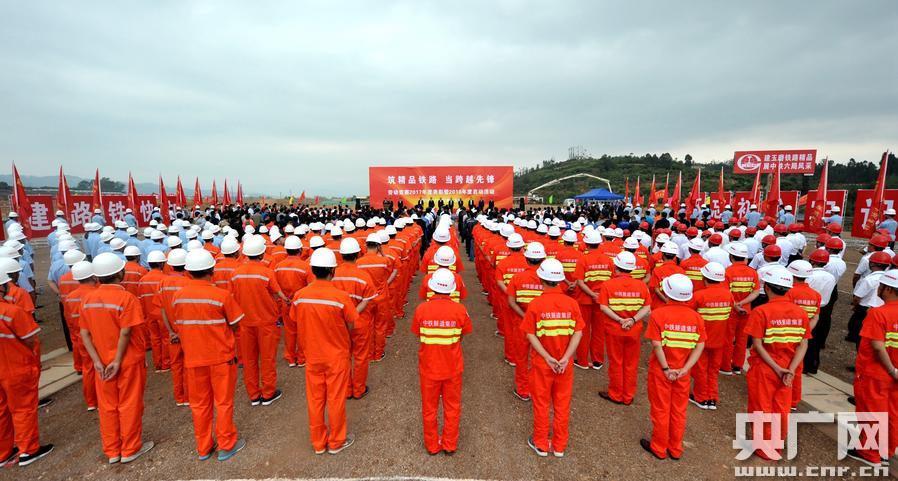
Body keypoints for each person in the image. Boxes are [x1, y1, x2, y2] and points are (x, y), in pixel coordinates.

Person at [79, 252, 155, 464]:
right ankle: (130, 448)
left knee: (107, 407)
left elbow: (84, 333)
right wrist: (118, 360)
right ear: (120, 273)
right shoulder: (126, 298)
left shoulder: (88, 300)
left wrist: (96, 360)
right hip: (127, 361)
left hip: (102, 362)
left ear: (97, 276)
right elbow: (126, 331)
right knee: (129, 404)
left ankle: (112, 451)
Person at [171, 249, 246, 461]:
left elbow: (179, 323)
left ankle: (204, 448)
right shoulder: (221, 296)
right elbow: (235, 323)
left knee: (199, 405)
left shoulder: (178, 297)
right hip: (221, 358)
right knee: (223, 402)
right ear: (212, 270)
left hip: (193, 358)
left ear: (188, 272)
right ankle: (226, 445)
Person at [289, 248, 358, 455]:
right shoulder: (340, 297)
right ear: (332, 270)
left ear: (312, 270)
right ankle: (336, 441)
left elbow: (294, 319)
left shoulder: (300, 296)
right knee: (335, 399)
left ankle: (318, 443)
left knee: (315, 400)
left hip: (312, 355)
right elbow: (352, 322)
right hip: (336, 355)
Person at [521, 258, 584, 457]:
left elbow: (530, 335)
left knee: (541, 403)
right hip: (565, 363)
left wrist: (548, 357)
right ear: (560, 280)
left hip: (543, 362)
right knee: (562, 403)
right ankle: (559, 445)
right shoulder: (572, 304)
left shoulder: (535, 305)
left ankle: (541, 443)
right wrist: (566, 357)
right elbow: (578, 332)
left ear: (541, 279)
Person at [744, 266, 809, 460]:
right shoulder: (800, 313)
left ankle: (764, 448)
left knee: (761, 406)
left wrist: (776, 368)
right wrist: (791, 369)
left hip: (766, 366)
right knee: (781, 407)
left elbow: (757, 345)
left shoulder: (761, 312)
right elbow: (803, 344)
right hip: (789, 365)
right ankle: (776, 445)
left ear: (767, 287)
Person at [641, 273, 705, 460]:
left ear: (667, 292)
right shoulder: (696, 318)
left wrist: (666, 369)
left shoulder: (658, 314)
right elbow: (699, 346)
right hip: (683, 371)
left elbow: (656, 345)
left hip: (662, 370)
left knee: (661, 408)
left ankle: (659, 447)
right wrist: (684, 369)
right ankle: (675, 448)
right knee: (679, 410)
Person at [411, 268, 473, 455]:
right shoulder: (460, 310)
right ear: (452, 289)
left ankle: (432, 445)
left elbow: (418, 334)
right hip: (452, 367)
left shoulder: (421, 309)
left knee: (429, 408)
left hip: (429, 367)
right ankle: (449, 444)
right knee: (452, 407)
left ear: (432, 287)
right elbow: (463, 334)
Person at [0, 271, 53, 467]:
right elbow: (30, 339)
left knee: (1, 410)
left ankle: (3, 452)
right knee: (23, 409)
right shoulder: (12, 312)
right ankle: (28, 450)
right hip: (16, 368)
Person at [230, 236, 289, 406]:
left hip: (245, 323)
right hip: (266, 322)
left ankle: (254, 395)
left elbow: (231, 297)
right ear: (262, 254)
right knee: (267, 358)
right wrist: (287, 300)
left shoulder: (235, 274)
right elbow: (278, 293)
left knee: (249, 360)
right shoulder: (266, 272)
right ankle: (268, 393)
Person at [847, 270, 898, 466]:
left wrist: (891, 370)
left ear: (888, 289)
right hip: (894, 374)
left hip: (876, 373)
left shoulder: (878, 313)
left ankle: (869, 453)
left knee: (872, 412)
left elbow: (877, 346)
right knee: (893, 412)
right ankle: (886, 451)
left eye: (881, 286)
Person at [598, 251, 651, 405]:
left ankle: (616, 394)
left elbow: (603, 307)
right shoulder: (641, 285)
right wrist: (633, 320)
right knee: (631, 363)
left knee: (616, 361)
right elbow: (647, 307)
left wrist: (620, 320)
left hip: (614, 329)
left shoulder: (607, 285)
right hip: (633, 329)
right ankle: (628, 395)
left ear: (616, 267)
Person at [333, 237, 377, 399]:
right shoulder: (363, 276)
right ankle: (358, 389)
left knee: (343, 356)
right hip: (360, 322)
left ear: (341, 254)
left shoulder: (333, 275)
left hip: (339, 324)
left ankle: (346, 390)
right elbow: (369, 300)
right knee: (360, 357)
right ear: (358, 254)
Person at [506, 242, 548, 401]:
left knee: (522, 357)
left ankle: (523, 389)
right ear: (543, 259)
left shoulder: (517, 278)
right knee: (540, 356)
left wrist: (525, 316)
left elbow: (511, 302)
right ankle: (539, 388)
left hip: (522, 322)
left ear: (526, 258)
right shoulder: (548, 279)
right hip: (544, 324)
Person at [689, 262, 733, 410]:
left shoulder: (699, 295)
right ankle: (712, 398)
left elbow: (690, 316)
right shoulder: (728, 295)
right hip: (719, 339)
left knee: (700, 369)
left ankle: (701, 397)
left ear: (704, 277)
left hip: (701, 340)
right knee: (713, 370)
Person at [156, 248, 192, 406]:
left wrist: (171, 332)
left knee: (176, 365)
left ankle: (179, 397)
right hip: (187, 332)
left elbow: (163, 309)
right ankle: (189, 396)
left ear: (170, 266)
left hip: (172, 332)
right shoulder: (188, 283)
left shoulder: (162, 283)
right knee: (189, 364)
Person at [573, 231, 613, 370]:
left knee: (583, 330)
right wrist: (599, 296)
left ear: (586, 244)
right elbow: (611, 280)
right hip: (601, 300)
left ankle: (582, 360)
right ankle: (597, 360)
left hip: (585, 299)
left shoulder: (583, 260)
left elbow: (580, 282)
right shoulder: (608, 260)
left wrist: (592, 294)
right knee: (599, 331)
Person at [784, 260, 821, 410]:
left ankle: (785, 397)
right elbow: (815, 317)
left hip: (788, 333)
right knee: (798, 367)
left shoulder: (789, 292)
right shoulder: (816, 295)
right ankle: (794, 401)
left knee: (786, 366)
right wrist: (804, 333)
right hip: (802, 335)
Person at [64, 260, 99, 410]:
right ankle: (101, 398)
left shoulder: (70, 297)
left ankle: (91, 401)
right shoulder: (96, 294)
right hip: (96, 336)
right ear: (94, 276)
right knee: (100, 366)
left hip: (80, 336)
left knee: (88, 368)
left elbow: (69, 319)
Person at [274, 236, 312, 368]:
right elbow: (310, 287)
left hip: (286, 302)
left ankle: (290, 358)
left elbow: (276, 286)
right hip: (301, 303)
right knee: (302, 331)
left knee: (289, 331)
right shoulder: (306, 266)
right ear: (300, 250)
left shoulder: (278, 267)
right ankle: (301, 358)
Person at [723, 242, 760, 376]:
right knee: (742, 340)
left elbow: (726, 293)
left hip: (731, 311)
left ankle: (726, 366)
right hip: (746, 311)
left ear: (731, 256)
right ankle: (738, 366)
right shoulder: (753, 273)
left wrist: (735, 305)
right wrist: (742, 303)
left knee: (728, 339)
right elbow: (755, 292)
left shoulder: (727, 272)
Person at [803, 249, 837, 374]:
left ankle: (804, 365)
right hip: (823, 309)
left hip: (809, 308)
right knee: (817, 340)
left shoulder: (809, 276)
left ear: (812, 261)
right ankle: (813, 365)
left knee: (806, 338)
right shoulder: (831, 277)